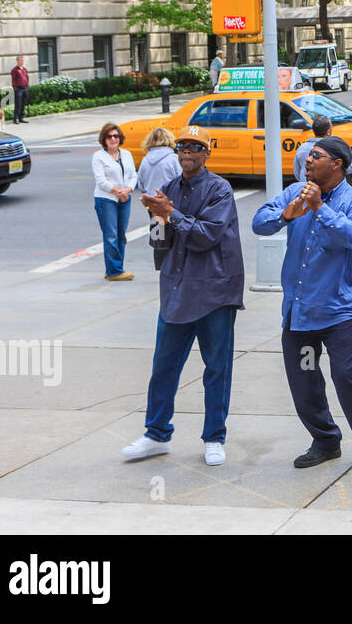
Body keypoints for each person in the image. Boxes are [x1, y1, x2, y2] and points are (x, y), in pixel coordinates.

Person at [251, 137, 352, 473]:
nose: (308, 161)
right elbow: (259, 222)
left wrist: (320, 208)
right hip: (301, 312)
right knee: (304, 379)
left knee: (347, 376)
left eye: (316, 156)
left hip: (338, 311)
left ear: (338, 164)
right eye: (308, 156)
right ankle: (326, 440)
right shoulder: (295, 192)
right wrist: (287, 214)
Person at [123, 126, 245, 466]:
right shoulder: (169, 188)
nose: (187, 152)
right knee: (164, 366)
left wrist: (171, 212)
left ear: (207, 153)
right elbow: (160, 242)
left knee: (216, 368)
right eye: (182, 147)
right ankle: (157, 434)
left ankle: (214, 437)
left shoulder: (219, 189)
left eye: (195, 147)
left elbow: (207, 236)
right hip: (176, 288)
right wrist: (156, 216)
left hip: (214, 290)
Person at [92, 122, 138, 281]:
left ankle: (112, 268)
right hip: (106, 199)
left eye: (116, 136)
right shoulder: (98, 156)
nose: (113, 139)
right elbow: (101, 180)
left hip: (125, 198)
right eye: (109, 136)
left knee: (121, 235)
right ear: (104, 139)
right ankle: (115, 271)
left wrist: (127, 190)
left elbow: (133, 176)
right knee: (110, 235)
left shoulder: (126, 154)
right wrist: (118, 191)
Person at [136, 127, 181, 199]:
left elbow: (141, 183)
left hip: (151, 201)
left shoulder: (145, 160)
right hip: (169, 201)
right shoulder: (174, 159)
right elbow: (182, 181)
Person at [292, 115, 333, 183]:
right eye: (331, 127)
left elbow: (297, 172)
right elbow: (349, 168)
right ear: (328, 132)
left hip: (305, 187)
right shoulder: (333, 148)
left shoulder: (302, 147)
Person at [11, 56, 30, 124]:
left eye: (22, 60)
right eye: (20, 60)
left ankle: (21, 117)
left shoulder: (24, 69)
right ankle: (16, 118)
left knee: (23, 104)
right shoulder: (15, 70)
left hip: (25, 88)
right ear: (17, 61)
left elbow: (27, 78)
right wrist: (15, 88)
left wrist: (27, 87)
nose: (22, 62)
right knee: (18, 104)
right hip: (18, 89)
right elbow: (13, 80)